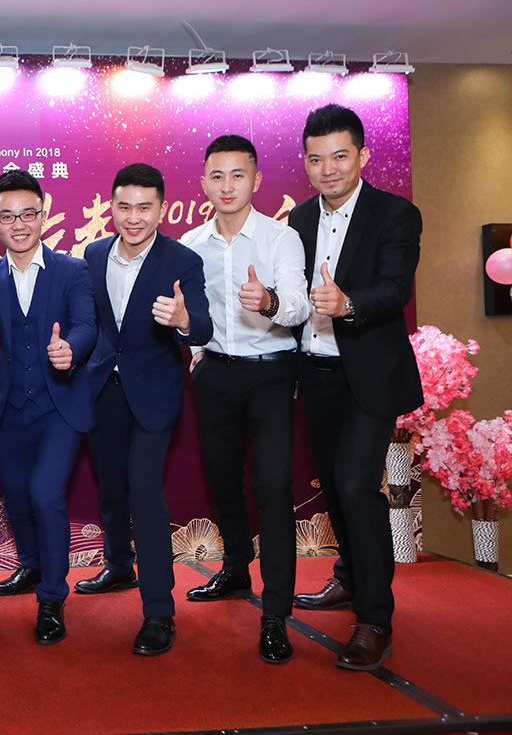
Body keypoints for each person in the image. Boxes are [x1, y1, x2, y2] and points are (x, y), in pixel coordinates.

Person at [289, 104, 423, 671]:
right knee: (335, 486)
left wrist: (348, 304)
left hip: (368, 375)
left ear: (362, 155)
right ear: (306, 163)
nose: (329, 169)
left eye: (340, 156)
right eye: (317, 159)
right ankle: (348, 576)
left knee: (355, 484)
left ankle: (375, 620)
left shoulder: (396, 214)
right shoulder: (298, 219)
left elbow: (394, 289)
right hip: (316, 373)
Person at [179, 135, 312, 664]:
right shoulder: (191, 243)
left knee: (273, 487)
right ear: (204, 183)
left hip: (272, 374)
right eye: (217, 176)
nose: (228, 186)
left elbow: (299, 305)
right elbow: (190, 312)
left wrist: (269, 301)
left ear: (256, 180)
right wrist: (194, 349)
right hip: (215, 374)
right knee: (223, 479)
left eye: (238, 175)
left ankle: (276, 612)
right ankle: (236, 569)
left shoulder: (281, 238)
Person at [77, 162, 212, 656]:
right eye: (124, 206)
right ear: (111, 207)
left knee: (144, 490)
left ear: (161, 209)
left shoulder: (182, 260)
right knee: (111, 486)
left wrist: (182, 320)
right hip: (101, 389)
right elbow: (90, 323)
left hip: (154, 394)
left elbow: (202, 327)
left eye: (144, 207)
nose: (133, 217)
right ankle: (118, 566)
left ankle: (159, 611)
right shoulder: (93, 254)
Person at [0, 170, 95, 645]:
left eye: (28, 214)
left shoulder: (72, 270)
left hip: (59, 407)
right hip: (11, 406)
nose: (19, 224)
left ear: (43, 216)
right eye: (7, 216)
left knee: (46, 494)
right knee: (16, 494)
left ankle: (51, 597)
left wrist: (72, 349)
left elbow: (86, 325)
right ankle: (30, 565)